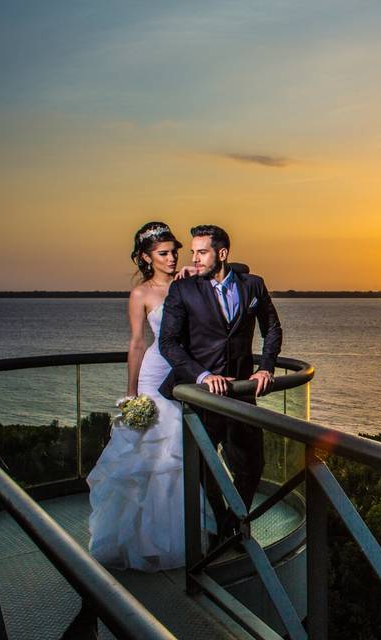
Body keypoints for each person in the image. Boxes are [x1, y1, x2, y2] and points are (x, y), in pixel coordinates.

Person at [158, 224, 282, 543]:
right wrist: (203, 376)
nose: (194, 259)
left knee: (252, 464)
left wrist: (265, 368)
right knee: (201, 466)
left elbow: (273, 329)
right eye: (193, 252)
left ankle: (231, 525)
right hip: (201, 396)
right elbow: (168, 343)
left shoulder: (253, 285)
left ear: (222, 253)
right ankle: (226, 527)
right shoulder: (183, 290)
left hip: (242, 395)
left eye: (202, 252)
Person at [87, 222, 188, 571]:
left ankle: (178, 537)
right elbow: (136, 343)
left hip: (183, 376)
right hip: (152, 377)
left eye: (174, 251)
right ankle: (141, 543)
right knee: (148, 456)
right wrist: (131, 394)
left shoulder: (189, 284)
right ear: (146, 257)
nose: (172, 258)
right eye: (163, 253)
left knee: (178, 456)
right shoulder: (141, 294)